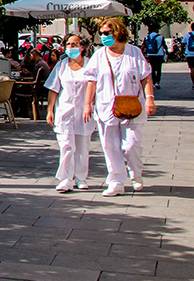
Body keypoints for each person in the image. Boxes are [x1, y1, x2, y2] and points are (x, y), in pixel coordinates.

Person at [82, 17, 155, 197]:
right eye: (102, 33)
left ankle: (135, 172)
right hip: (106, 106)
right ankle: (116, 181)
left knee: (132, 145)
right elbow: (91, 80)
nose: (104, 36)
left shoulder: (134, 53)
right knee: (110, 146)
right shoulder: (99, 55)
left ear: (118, 32)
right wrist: (87, 105)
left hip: (132, 106)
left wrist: (150, 99)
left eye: (107, 33)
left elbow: (145, 77)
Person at [45, 34, 95, 193]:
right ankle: (66, 178)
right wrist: (50, 110)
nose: (71, 47)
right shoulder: (61, 66)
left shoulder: (90, 65)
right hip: (64, 111)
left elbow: (95, 87)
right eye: (68, 44)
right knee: (66, 145)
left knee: (82, 146)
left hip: (84, 111)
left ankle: (80, 177)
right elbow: (54, 89)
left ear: (82, 47)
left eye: (75, 44)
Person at [142, 26, 167, 90]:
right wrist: (167, 51)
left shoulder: (147, 37)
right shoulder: (160, 37)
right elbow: (164, 45)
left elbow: (143, 45)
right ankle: (157, 82)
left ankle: (153, 82)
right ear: (156, 29)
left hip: (151, 54)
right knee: (158, 69)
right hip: (159, 54)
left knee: (153, 69)